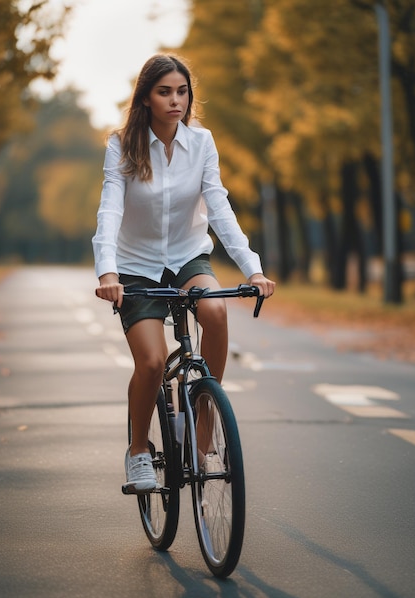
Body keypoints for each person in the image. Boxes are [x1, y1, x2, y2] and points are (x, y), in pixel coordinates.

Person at [92, 54, 275, 493]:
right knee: (152, 362)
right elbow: (110, 208)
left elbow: (220, 208)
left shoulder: (202, 142)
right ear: (146, 98)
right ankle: (138, 450)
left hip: (189, 256)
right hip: (135, 268)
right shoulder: (123, 145)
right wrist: (107, 273)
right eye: (164, 91)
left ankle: (204, 420)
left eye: (182, 91)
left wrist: (253, 269)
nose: (176, 100)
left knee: (215, 313)